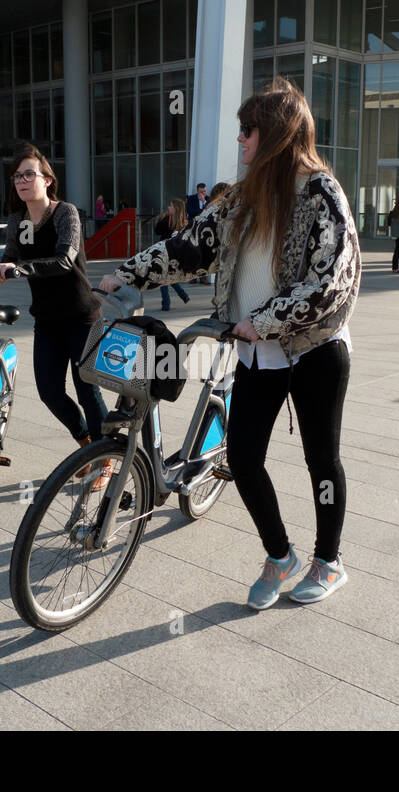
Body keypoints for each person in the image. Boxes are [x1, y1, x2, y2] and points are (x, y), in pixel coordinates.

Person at [100, 77, 360, 608]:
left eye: (248, 131)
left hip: (315, 349)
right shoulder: (243, 197)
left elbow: (334, 280)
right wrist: (127, 274)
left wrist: (264, 319)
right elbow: (189, 246)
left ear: (279, 134)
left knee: (321, 460)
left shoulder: (320, 192)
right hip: (256, 352)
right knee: (242, 458)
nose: (239, 140)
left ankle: (328, 562)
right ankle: (280, 555)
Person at [0, 143, 111, 487]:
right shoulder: (17, 221)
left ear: (47, 180)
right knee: (48, 391)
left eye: (30, 174)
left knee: (88, 390)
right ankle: (86, 445)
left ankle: (107, 460)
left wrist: (17, 268)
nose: (22, 180)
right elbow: (9, 257)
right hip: (47, 319)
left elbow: (64, 259)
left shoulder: (65, 213)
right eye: (17, 176)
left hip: (82, 316)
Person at [153, 198, 191, 310]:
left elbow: (157, 231)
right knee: (167, 276)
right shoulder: (179, 221)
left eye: (170, 206)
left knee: (162, 278)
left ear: (175, 209)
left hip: (167, 252)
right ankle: (183, 295)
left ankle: (166, 304)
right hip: (170, 252)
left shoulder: (173, 221)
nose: (168, 208)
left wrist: (163, 217)